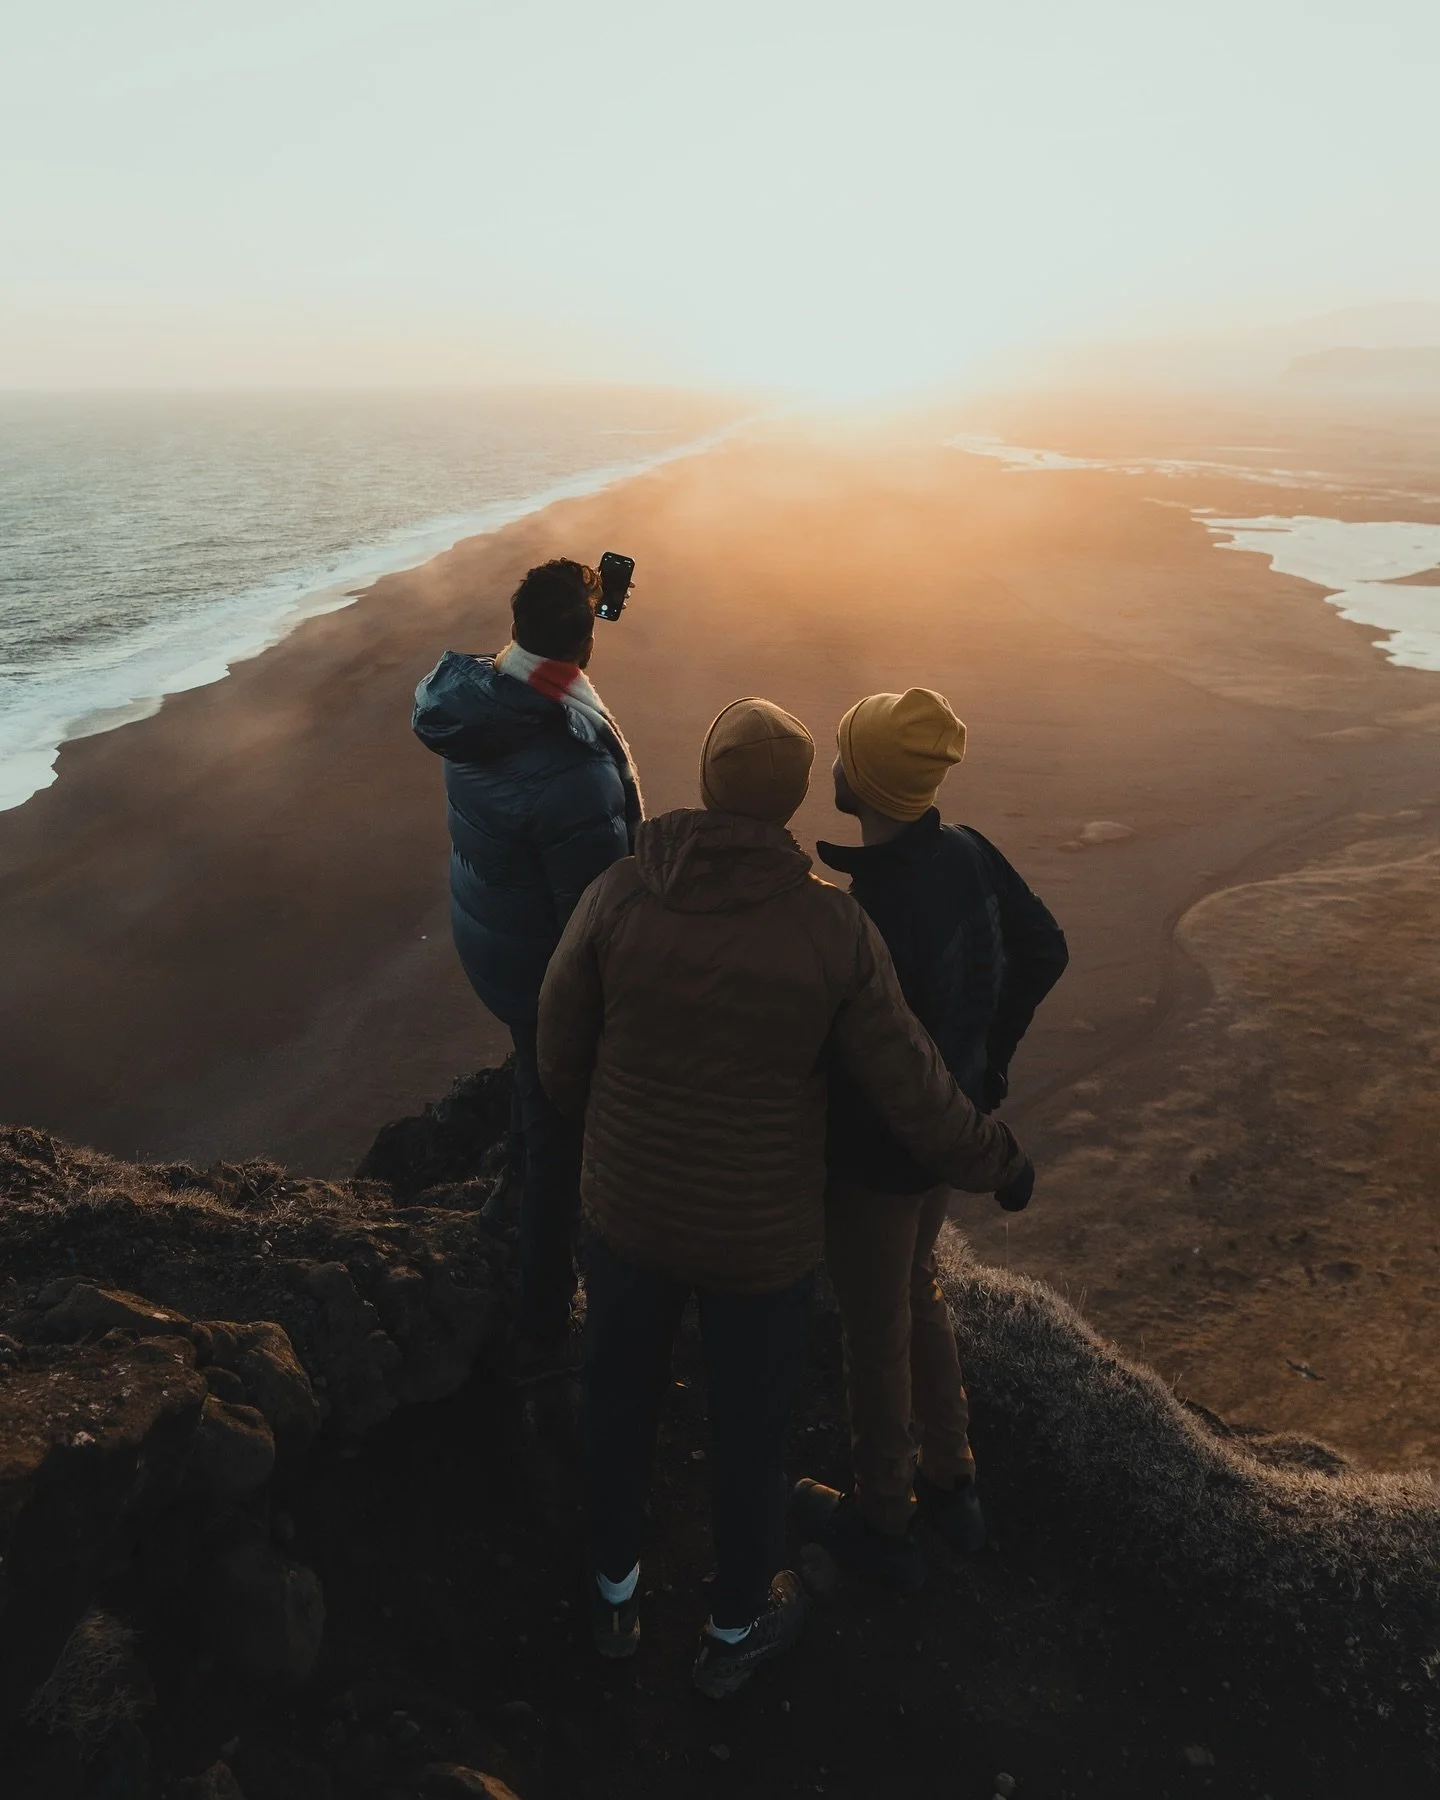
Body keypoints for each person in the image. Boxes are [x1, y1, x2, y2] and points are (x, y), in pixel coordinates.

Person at [536, 697, 1032, 1697]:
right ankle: (733, 1630)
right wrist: (996, 1159)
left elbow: (559, 1044)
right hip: (756, 1243)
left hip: (627, 1217)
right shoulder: (830, 925)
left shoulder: (622, 891)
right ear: (795, 796)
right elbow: (912, 1083)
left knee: (622, 1401)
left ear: (709, 779)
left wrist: (622, 1140)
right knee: (750, 1433)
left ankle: (614, 1595)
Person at [792, 687, 1068, 1589]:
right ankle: (953, 1480)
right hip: (950, 1129)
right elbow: (1045, 950)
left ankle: (882, 1521)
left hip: (878, 1161)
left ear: (860, 783)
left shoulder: (863, 913)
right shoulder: (969, 853)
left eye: (844, 750)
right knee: (919, 1288)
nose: (831, 760)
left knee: (874, 1330)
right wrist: (984, 1069)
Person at [412, 559, 642, 1364]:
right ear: (580, 638)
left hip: (494, 937)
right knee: (560, 1140)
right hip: (544, 972)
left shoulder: (478, 699)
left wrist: (586, 604)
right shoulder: (571, 764)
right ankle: (542, 1321)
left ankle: (505, 1206)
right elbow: (596, 918)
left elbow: (558, 637)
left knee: (528, 1083)